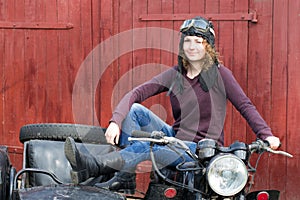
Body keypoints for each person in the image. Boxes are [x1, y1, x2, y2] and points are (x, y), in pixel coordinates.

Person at [64, 16, 281, 193]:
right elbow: (137, 92)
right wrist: (115, 121)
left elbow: (245, 105)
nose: (192, 46)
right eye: (187, 41)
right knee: (135, 110)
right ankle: (124, 176)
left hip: (199, 150)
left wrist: (266, 134)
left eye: (198, 41)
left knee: (149, 145)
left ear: (208, 46)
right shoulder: (176, 74)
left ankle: (96, 165)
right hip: (175, 139)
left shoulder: (220, 75)